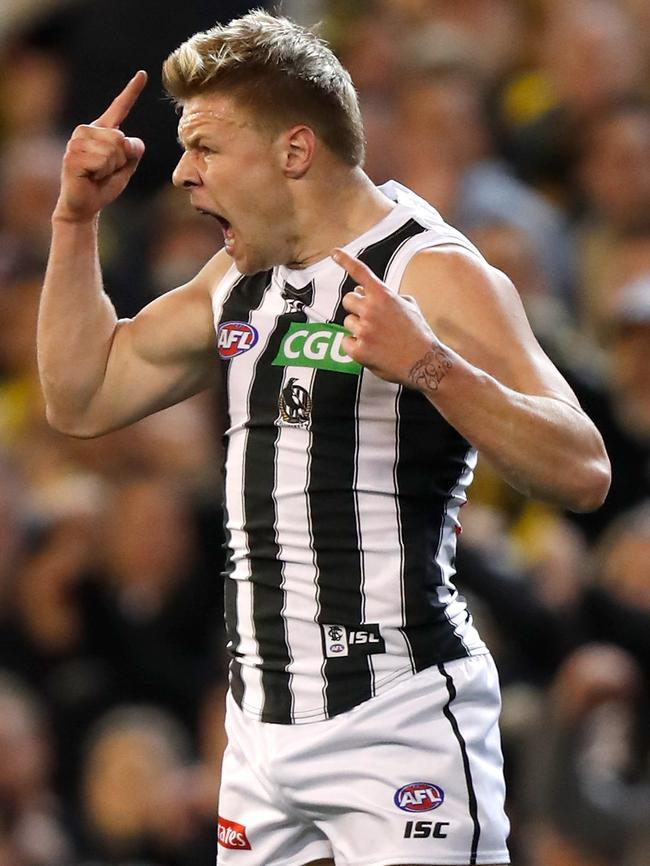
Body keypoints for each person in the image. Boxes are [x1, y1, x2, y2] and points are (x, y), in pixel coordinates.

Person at [37, 11, 611, 866]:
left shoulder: (431, 269)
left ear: (294, 151)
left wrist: (428, 365)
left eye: (205, 148)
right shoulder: (240, 274)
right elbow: (81, 397)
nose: (183, 174)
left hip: (399, 724)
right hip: (259, 737)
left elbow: (584, 467)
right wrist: (75, 223)